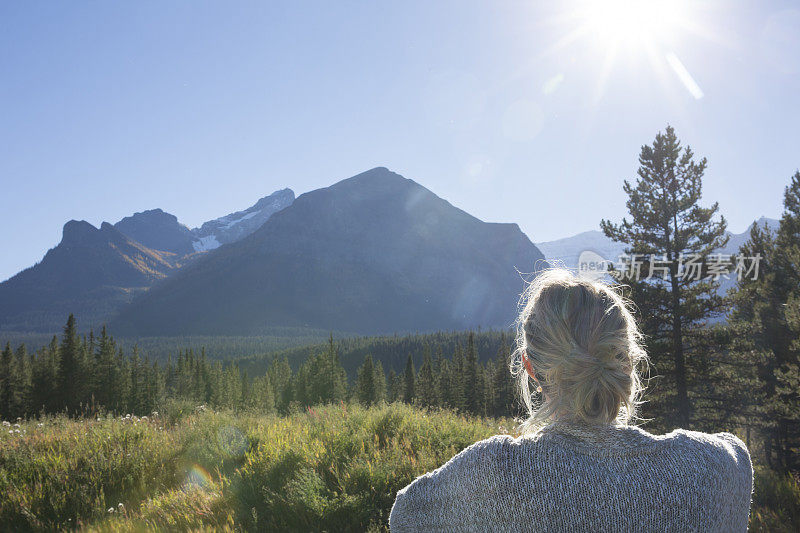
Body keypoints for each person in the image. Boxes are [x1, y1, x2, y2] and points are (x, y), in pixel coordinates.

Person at [389, 268, 753, 532]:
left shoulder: (495, 472)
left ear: (531, 369)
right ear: (628, 361)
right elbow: (736, 450)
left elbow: (403, 515)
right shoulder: (715, 466)